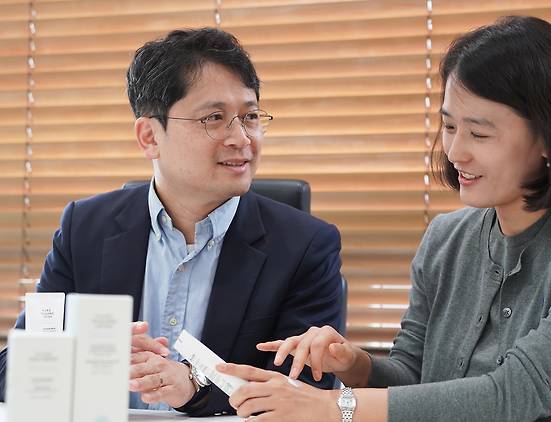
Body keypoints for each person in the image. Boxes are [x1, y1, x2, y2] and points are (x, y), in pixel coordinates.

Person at [214, 15, 551, 421]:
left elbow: (513, 396)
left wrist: (333, 408)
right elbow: (414, 377)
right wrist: (353, 364)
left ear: (550, 138)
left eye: (479, 133)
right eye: (449, 126)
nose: (456, 151)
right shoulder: (447, 237)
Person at [0, 28, 343, 416]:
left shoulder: (304, 246)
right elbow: (11, 370)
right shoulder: (86, 228)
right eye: (214, 118)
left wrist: (196, 385)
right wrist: (79, 358)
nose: (241, 138)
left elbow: (308, 391)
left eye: (249, 116)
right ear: (150, 136)